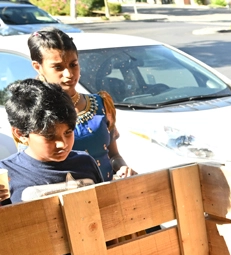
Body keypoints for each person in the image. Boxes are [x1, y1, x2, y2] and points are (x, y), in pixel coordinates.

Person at [28, 28, 135, 182]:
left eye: (73, 65)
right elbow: (29, 168)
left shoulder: (100, 104)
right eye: (58, 67)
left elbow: (113, 156)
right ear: (38, 67)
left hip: (106, 193)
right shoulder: (33, 112)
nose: (69, 74)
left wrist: (122, 167)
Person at [0, 79, 102, 206]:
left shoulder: (85, 162)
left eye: (68, 132)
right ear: (20, 134)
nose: (62, 144)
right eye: (49, 136)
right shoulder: (6, 174)